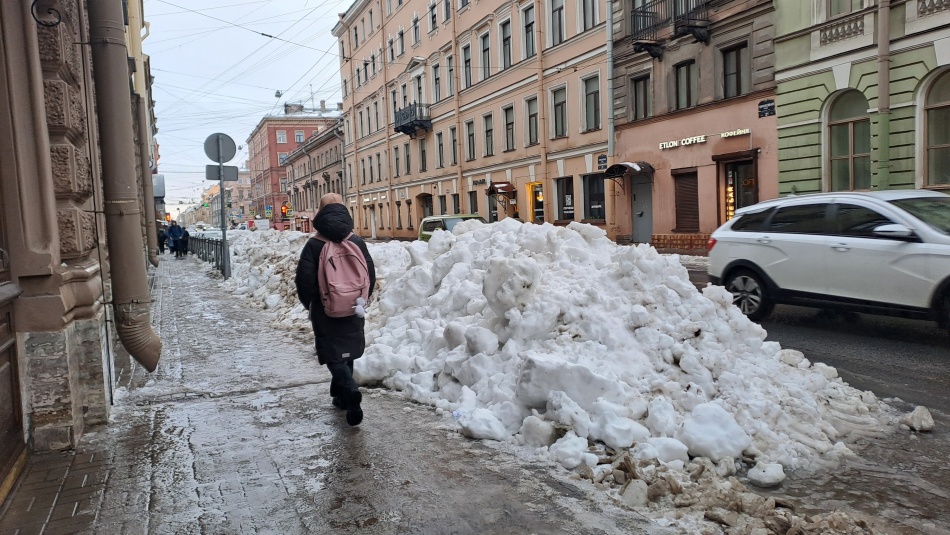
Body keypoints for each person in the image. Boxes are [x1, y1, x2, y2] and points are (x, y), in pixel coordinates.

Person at [295, 193, 376, 426]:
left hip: (325, 306)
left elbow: (304, 281)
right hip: (353, 306)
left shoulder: (314, 244)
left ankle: (349, 390)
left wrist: (310, 304)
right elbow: (369, 275)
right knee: (347, 349)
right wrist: (361, 298)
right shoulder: (357, 242)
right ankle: (340, 396)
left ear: (320, 213)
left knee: (333, 353)